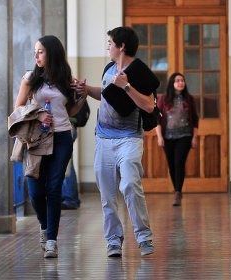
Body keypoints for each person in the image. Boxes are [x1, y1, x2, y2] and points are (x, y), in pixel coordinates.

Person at [76, 26, 155, 257]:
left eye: (110, 42)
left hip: (129, 138)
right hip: (103, 138)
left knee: (130, 185)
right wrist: (85, 89)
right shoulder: (109, 68)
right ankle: (113, 240)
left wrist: (127, 86)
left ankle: (144, 237)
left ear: (121, 46)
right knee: (107, 194)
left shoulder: (139, 72)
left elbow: (149, 105)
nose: (107, 46)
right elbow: (105, 94)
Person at [14, 35, 87, 258]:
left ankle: (52, 241)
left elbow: (71, 111)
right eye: (35, 51)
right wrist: (38, 114)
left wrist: (82, 96)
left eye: (41, 51)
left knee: (54, 188)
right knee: (35, 190)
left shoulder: (66, 79)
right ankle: (44, 227)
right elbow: (18, 108)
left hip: (62, 137)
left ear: (52, 53)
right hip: (36, 139)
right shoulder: (29, 78)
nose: (36, 55)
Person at [155, 73, 199, 206]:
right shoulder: (163, 99)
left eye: (182, 80)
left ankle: (178, 192)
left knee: (179, 162)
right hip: (167, 137)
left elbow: (195, 120)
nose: (181, 83)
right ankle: (177, 190)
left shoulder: (189, 99)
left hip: (185, 136)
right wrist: (159, 137)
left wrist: (194, 138)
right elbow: (157, 119)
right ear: (172, 84)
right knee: (172, 164)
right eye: (177, 81)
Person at [61, 126, 81, 210]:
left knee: (65, 163)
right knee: (65, 163)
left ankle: (70, 199)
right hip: (67, 128)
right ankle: (69, 198)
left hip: (64, 128)